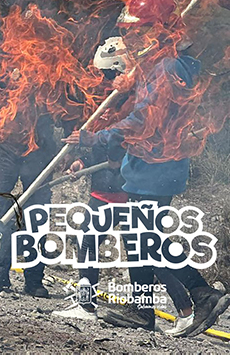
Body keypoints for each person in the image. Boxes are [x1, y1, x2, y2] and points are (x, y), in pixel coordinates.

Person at [63, 0, 230, 336]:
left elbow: (141, 120)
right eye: (131, 31)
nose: (132, 37)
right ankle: (143, 311)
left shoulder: (167, 68)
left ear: (160, 28)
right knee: (139, 239)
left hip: (157, 166)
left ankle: (201, 294)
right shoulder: (163, 64)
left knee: (145, 240)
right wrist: (130, 81)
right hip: (149, 165)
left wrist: (95, 138)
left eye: (140, 30)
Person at [53, 36, 193, 333]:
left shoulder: (136, 95)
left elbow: (125, 136)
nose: (109, 79)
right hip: (115, 184)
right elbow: (107, 136)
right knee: (139, 250)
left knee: (107, 243)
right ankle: (180, 309)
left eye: (111, 73)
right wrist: (83, 161)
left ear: (121, 66)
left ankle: (89, 305)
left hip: (122, 185)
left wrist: (106, 149)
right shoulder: (121, 94)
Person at [0, 109, 58, 298]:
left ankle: (34, 280)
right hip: (4, 146)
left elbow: (68, 109)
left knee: (37, 212)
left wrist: (72, 149)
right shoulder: (4, 87)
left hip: (40, 148)